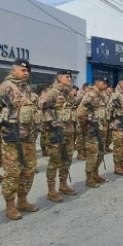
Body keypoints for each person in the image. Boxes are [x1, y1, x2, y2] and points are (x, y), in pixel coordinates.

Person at [0, 59, 40, 220]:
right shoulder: (5, 87)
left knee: (29, 171)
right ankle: (10, 205)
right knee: (12, 173)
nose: (26, 73)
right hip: (12, 139)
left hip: (29, 139)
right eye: (22, 70)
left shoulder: (29, 90)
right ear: (14, 71)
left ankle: (22, 201)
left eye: (27, 71)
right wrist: (2, 129)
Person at [39, 70, 78, 202]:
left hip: (69, 132)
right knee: (54, 161)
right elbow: (40, 104)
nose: (70, 79)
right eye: (67, 77)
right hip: (55, 133)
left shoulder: (68, 93)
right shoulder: (52, 92)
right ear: (59, 78)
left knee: (67, 159)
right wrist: (50, 117)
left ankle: (63, 184)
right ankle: (51, 189)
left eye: (70, 77)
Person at [77, 76, 110, 188]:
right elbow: (80, 113)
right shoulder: (90, 95)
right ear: (96, 82)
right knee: (92, 154)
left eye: (106, 82)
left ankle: (95, 174)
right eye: (102, 81)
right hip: (92, 130)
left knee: (101, 153)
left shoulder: (104, 95)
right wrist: (87, 124)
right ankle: (89, 177)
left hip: (102, 129)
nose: (104, 83)